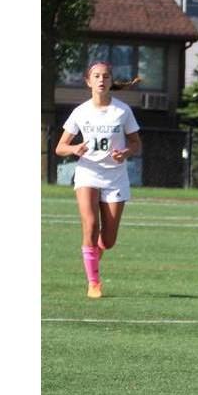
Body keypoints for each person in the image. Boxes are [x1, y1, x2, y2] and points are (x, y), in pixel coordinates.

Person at [54, 61, 142, 299]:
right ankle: (94, 283)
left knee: (109, 240)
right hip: (88, 173)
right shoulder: (80, 112)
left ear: (111, 81)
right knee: (91, 225)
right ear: (88, 81)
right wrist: (74, 149)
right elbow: (60, 147)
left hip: (115, 177)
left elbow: (136, 143)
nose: (101, 80)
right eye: (96, 76)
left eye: (105, 76)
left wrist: (125, 152)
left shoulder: (122, 111)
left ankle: (94, 253)